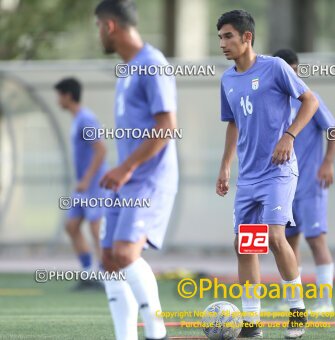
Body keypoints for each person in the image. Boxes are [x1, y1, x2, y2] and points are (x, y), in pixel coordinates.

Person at [215, 10, 319, 339]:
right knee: (245, 245)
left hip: (278, 172)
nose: (223, 43)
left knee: (275, 238)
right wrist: (225, 165)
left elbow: (310, 101)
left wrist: (289, 136)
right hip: (248, 176)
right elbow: (233, 122)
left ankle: (297, 311)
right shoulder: (227, 80)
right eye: (219, 37)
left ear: (248, 38)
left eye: (228, 36)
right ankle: (251, 323)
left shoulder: (274, 67)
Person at [95, 1, 178, 339]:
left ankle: (157, 334)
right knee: (109, 259)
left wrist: (127, 167)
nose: (98, 33)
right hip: (125, 179)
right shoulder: (127, 70)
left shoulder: (152, 64)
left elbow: (167, 126)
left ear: (110, 26)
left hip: (148, 179)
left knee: (127, 254)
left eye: (98, 26)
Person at [273, 49, 335, 313]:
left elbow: (333, 130)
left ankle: (325, 302)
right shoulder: (275, 101)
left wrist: (328, 163)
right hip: (284, 186)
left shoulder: (310, 99)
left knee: (316, 240)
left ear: (297, 71)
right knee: (288, 243)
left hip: (310, 184)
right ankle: (291, 301)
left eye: (291, 71)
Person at [54, 77, 107, 290]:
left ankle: (106, 277)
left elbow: (101, 149)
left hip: (93, 185)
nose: (57, 100)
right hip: (82, 187)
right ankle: (88, 273)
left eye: (59, 95)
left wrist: (86, 179)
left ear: (68, 95)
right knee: (71, 226)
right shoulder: (77, 119)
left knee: (96, 230)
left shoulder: (86, 118)